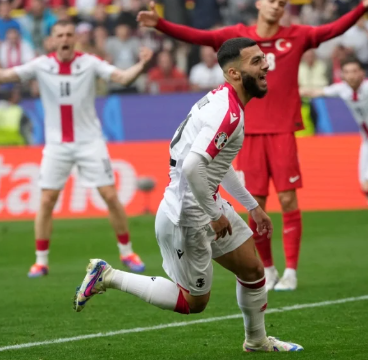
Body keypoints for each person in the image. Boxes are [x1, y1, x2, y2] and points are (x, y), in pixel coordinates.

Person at [137, 0, 368, 291]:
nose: (277, 6)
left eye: (282, 2)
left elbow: (332, 29)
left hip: (282, 131)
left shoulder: (297, 36)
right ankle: (269, 268)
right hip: (248, 133)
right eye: (272, 0)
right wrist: (161, 24)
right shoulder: (240, 39)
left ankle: (291, 270)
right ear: (259, 4)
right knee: (257, 201)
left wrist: (362, 6)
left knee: (289, 199)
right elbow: (200, 36)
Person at [74, 38, 304, 352]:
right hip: (188, 215)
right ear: (234, 74)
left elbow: (216, 165)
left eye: (263, 58)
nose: (266, 65)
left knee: (252, 269)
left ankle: (256, 341)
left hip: (204, 200)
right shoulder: (228, 113)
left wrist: (252, 206)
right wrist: (214, 214)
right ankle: (109, 275)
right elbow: (194, 166)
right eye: (256, 62)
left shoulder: (226, 101)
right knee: (193, 303)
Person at [0, 20, 153, 278]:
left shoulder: (89, 62)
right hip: (57, 145)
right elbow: (6, 76)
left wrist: (141, 65)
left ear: (75, 39)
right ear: (52, 40)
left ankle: (127, 251)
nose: (64, 38)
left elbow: (122, 77)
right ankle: (41, 261)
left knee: (109, 195)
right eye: (60, 34)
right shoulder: (42, 65)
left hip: (90, 142)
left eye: (69, 34)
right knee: (47, 200)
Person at [300, 57, 368, 238]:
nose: (351, 75)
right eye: (347, 72)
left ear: (362, 73)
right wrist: (286, 90)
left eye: (354, 71)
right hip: (367, 143)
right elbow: (315, 91)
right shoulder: (342, 89)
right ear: (342, 75)